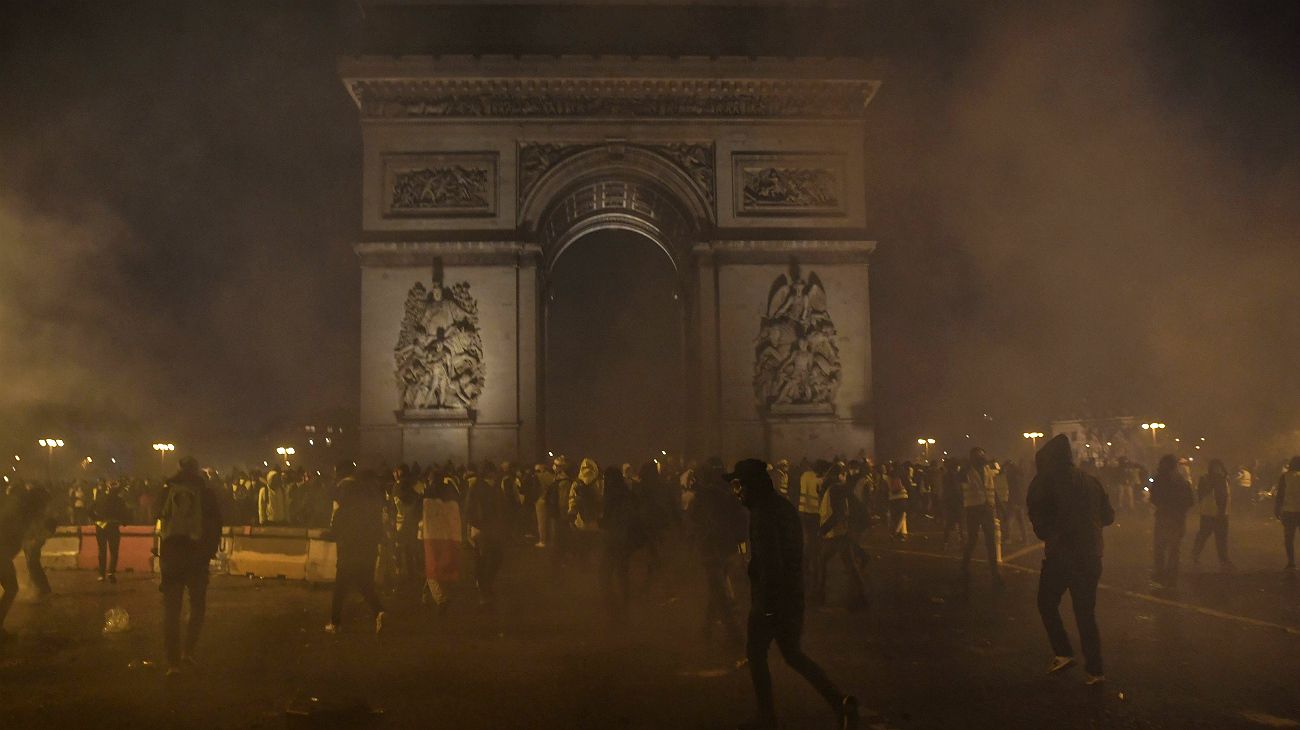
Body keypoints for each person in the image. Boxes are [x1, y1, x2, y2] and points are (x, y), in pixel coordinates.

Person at [726, 459, 859, 730]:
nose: (737, 492)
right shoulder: (781, 506)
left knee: (756, 652)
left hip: (773, 598)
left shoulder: (763, 514)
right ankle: (840, 703)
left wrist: (767, 605)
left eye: (739, 484)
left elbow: (772, 563)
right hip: (791, 594)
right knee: (793, 655)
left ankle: (767, 717)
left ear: (752, 485)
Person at [1026, 434, 1114, 686]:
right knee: (1085, 612)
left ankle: (1063, 652)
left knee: (1046, 601)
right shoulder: (1091, 481)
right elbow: (1108, 516)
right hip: (1092, 554)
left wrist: (1054, 531)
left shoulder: (1044, 481)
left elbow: (1040, 524)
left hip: (1062, 555)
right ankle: (1095, 671)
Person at [157, 456, 222, 676]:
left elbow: (158, 519)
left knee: (171, 611)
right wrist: (207, 553)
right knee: (197, 607)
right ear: (197, 471)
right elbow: (215, 526)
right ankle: (188, 651)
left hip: (171, 557)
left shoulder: (167, 490)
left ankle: (172, 663)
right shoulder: (206, 493)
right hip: (196, 557)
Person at [326, 463, 386, 635]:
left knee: (340, 589)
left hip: (348, 553)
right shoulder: (370, 506)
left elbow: (334, 532)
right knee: (365, 585)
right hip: (368, 552)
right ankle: (379, 611)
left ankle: (335, 623)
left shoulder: (342, 511)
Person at [813, 463, 869, 611]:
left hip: (835, 534)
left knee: (825, 561)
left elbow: (838, 514)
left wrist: (823, 530)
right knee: (847, 564)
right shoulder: (836, 489)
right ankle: (861, 597)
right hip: (839, 533)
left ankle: (821, 594)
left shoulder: (833, 490)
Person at [1, 484, 52, 639]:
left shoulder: (19, 509)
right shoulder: (19, 511)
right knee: (11, 588)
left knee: (11, 588)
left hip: (3, 553)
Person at [599, 466, 641, 622]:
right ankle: (625, 608)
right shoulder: (629, 494)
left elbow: (606, 519)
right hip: (626, 540)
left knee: (604, 575)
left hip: (612, 540)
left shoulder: (611, 495)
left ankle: (612, 609)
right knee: (622, 575)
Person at [464, 462, 511, 606]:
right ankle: (484, 589)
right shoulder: (479, 488)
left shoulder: (494, 487)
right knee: (486, 558)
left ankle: (485, 585)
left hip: (491, 527)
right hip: (481, 527)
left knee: (491, 557)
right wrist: (473, 524)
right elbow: (469, 508)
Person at [959, 448, 1004, 592]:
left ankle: (995, 573)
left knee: (990, 541)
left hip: (987, 509)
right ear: (972, 458)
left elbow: (993, 486)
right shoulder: (966, 471)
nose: (981, 458)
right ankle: (964, 567)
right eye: (978, 456)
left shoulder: (987, 469)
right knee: (973, 539)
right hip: (973, 509)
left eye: (982, 455)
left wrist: (1000, 505)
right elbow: (959, 478)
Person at [1149, 454, 1193, 589]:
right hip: (1177, 517)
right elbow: (1190, 500)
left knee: (1161, 547)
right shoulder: (1181, 480)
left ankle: (1160, 573)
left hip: (1164, 516)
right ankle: (1171, 574)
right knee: (1174, 548)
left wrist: (1163, 505)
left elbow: (1154, 497)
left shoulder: (1160, 479)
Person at [421, 476, 462, 613]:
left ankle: (440, 599)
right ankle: (426, 595)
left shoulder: (426, 502)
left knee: (431, 568)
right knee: (434, 568)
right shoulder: (452, 503)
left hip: (429, 538)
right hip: (447, 538)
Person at [1191, 459, 1233, 571]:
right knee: (1204, 534)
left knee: (1221, 538)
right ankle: (1195, 554)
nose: (1217, 470)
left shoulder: (1224, 479)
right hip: (1210, 512)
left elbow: (1225, 496)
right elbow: (1202, 494)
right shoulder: (1206, 479)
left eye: (1218, 467)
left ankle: (1223, 559)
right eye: (1215, 467)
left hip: (1220, 513)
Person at [91, 482, 131, 583]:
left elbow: (89, 510)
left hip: (101, 526)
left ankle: (101, 574)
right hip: (113, 527)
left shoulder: (100, 498)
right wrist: (124, 522)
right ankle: (111, 572)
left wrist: (97, 519)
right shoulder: (120, 501)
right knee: (114, 551)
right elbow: (125, 514)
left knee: (102, 551)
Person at [1274, 456, 1300, 571]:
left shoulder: (1285, 477)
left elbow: (1280, 494)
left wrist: (1277, 509)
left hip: (1289, 511)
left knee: (1289, 538)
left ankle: (1291, 562)